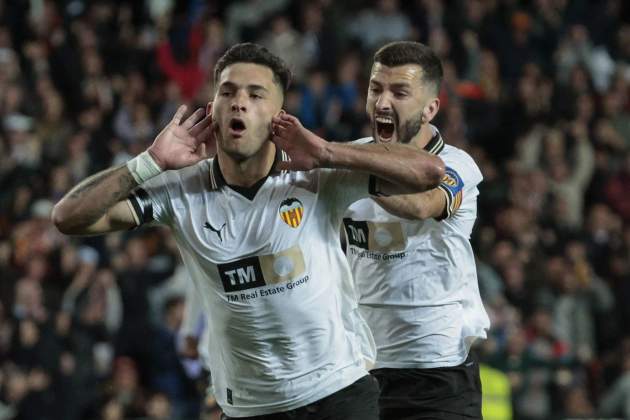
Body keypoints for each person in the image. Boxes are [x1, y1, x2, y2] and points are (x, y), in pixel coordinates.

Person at [51, 43, 445, 419]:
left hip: (337, 393)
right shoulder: (181, 191)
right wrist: (150, 161)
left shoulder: (319, 175)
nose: (239, 102)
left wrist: (327, 152)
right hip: (250, 407)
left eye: (256, 95)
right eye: (228, 92)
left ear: (279, 116)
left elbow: (430, 173)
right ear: (213, 109)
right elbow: (69, 217)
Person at [342, 41, 490, 419]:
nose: (382, 102)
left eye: (399, 92)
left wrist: (349, 167)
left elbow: (423, 206)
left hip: (438, 374)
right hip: (360, 371)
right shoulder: (347, 159)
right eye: (376, 88)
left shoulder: (458, 165)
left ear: (430, 108)